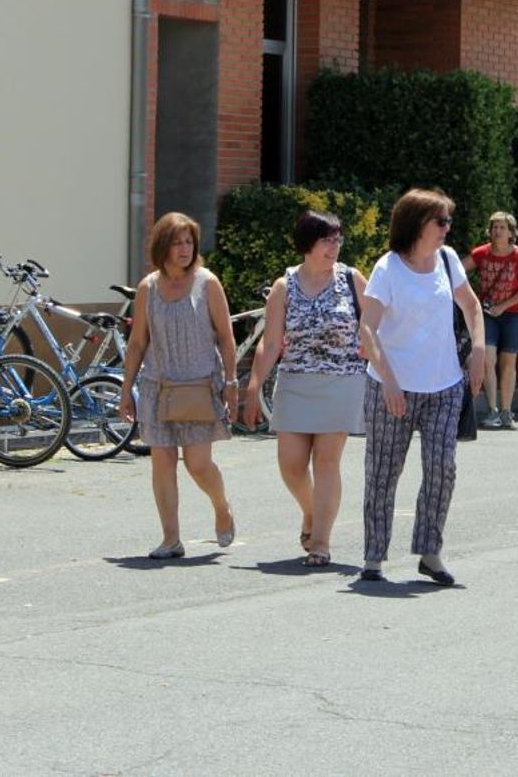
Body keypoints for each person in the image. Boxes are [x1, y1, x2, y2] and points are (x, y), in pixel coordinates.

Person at [357, 189, 485, 585]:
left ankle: (430, 551)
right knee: (382, 472)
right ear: (416, 224)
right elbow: (367, 328)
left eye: (449, 221)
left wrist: (478, 349)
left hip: (444, 385)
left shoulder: (448, 262)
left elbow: (472, 306)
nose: (447, 229)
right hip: (391, 388)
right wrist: (390, 382)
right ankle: (374, 557)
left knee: (442, 468)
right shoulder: (388, 268)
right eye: (440, 222)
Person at [241, 211, 367, 568]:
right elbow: (271, 341)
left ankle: (322, 542)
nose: (334, 246)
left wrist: (375, 351)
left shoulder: (351, 279)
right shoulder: (285, 286)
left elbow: (375, 321)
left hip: (342, 380)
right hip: (295, 381)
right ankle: (312, 512)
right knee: (291, 465)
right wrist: (253, 386)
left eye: (338, 239)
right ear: (307, 244)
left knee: (327, 461)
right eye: (326, 239)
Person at [118, 212, 238, 560]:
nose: (184, 249)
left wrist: (230, 380)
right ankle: (171, 539)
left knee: (198, 464)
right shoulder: (148, 287)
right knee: (162, 462)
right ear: (162, 246)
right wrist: (127, 390)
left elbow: (227, 338)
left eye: (188, 242)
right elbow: (138, 342)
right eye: (177, 242)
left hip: (199, 385)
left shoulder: (207, 283)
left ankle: (221, 506)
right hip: (158, 386)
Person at [463, 211, 518, 429]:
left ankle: (506, 410)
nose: (497, 231)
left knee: (508, 362)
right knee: (487, 359)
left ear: (511, 232)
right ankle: (492, 409)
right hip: (488, 314)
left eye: (502, 227)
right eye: (494, 227)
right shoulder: (482, 253)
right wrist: (470, 297)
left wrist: (503, 306)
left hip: (514, 314)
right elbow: (458, 270)